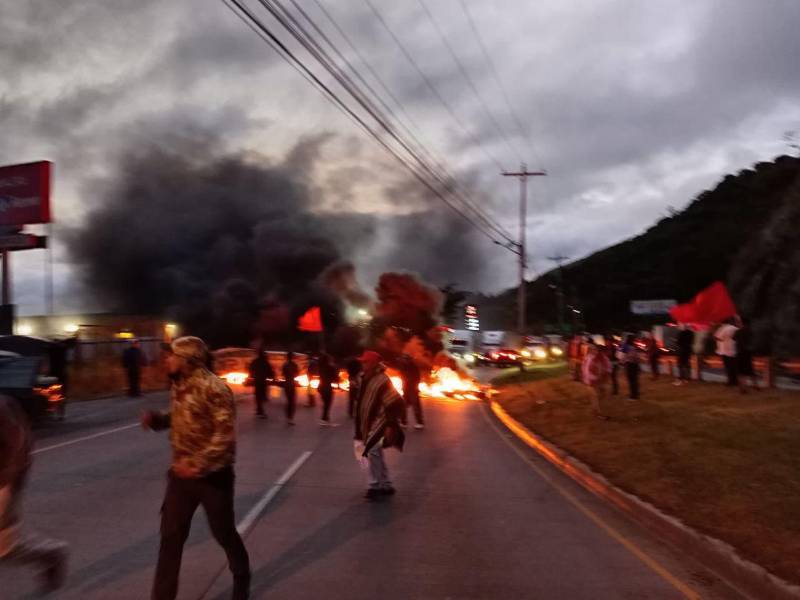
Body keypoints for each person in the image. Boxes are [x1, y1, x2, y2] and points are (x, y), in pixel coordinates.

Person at [141, 337, 250, 600]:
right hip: (180, 477)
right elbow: (180, 417)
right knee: (170, 538)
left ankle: (241, 576)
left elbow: (224, 438)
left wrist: (198, 465)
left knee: (223, 532)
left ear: (188, 360)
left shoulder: (216, 389)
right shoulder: (180, 384)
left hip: (214, 478)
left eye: (172, 356)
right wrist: (158, 420)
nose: (167, 360)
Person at [0, 395, 68, 594]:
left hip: (5, 479)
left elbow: (17, 442)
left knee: (4, 549)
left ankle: (51, 554)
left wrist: (9, 480)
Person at [354, 351, 405, 501]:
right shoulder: (363, 378)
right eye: (362, 362)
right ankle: (386, 484)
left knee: (370, 452)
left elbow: (395, 402)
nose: (363, 365)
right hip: (366, 423)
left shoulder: (382, 380)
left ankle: (374, 486)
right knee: (374, 454)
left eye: (366, 362)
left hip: (379, 423)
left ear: (374, 363)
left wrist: (390, 424)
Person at [582, 342, 611, 419]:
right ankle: (599, 413)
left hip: (600, 381)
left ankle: (594, 409)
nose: (596, 351)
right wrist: (588, 380)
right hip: (591, 382)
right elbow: (585, 370)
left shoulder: (604, 358)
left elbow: (608, 369)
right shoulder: (588, 358)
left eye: (598, 350)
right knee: (595, 396)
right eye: (594, 350)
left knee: (601, 395)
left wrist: (604, 379)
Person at [398, 353, 424, 430]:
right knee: (403, 405)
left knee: (416, 406)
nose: (403, 361)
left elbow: (416, 378)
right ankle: (403, 422)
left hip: (412, 389)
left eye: (404, 360)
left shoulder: (413, 367)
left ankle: (420, 422)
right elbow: (402, 377)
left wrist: (413, 387)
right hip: (406, 388)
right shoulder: (403, 367)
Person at [734, 317, 758, 393]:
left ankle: (742, 387)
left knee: (741, 371)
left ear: (742, 323)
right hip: (747, 352)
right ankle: (755, 385)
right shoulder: (750, 331)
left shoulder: (738, 331)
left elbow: (734, 339)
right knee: (750, 369)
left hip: (739, 352)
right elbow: (753, 341)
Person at [248, 348, 273, 419]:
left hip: (257, 381)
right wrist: (271, 377)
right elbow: (269, 371)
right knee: (262, 396)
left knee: (257, 395)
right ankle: (260, 410)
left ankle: (259, 409)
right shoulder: (265, 362)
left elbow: (250, 369)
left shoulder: (255, 361)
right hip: (262, 381)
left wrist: (251, 376)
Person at [714, 318, 739, 386]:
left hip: (724, 350)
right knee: (734, 366)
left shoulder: (723, 328)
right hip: (734, 350)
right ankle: (735, 381)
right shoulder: (735, 328)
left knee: (728, 366)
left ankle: (730, 381)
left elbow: (717, 337)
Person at [617, 335, 641, 400]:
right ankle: (635, 393)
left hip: (630, 365)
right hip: (635, 364)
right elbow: (638, 356)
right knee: (635, 380)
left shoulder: (625, 346)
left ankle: (633, 396)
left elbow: (620, 356)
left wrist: (621, 363)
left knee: (631, 380)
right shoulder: (634, 346)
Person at [318, 353, 337, 426]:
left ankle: (326, 417)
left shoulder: (321, 367)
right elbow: (335, 377)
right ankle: (324, 418)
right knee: (328, 403)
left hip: (321, 387)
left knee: (326, 403)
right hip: (327, 387)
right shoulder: (330, 367)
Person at [282, 351, 299, 425]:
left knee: (288, 401)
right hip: (291, 384)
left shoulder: (285, 365)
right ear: (292, 357)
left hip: (286, 384)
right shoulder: (294, 365)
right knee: (292, 402)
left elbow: (283, 374)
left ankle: (288, 417)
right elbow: (296, 373)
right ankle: (290, 418)